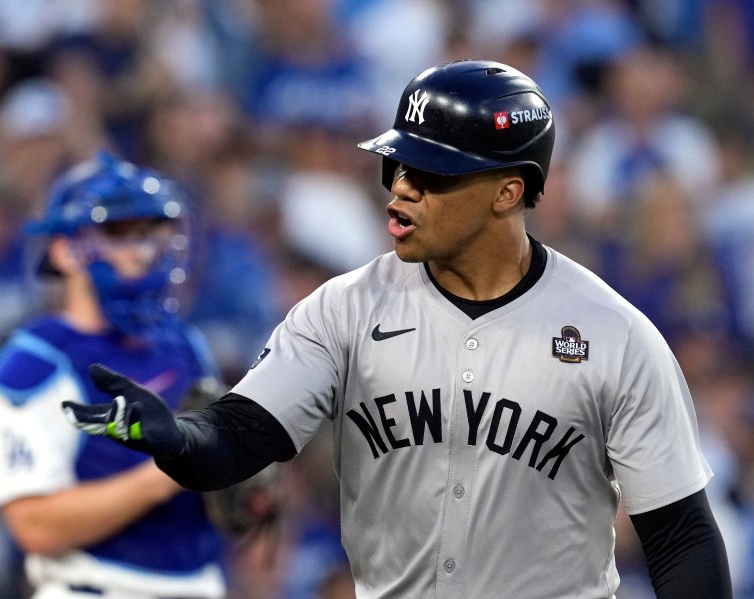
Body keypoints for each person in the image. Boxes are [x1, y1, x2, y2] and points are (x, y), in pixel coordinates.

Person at [62, 61, 732, 598]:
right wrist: (179, 439)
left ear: (505, 192)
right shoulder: (345, 308)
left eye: (429, 173)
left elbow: (679, 537)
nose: (400, 189)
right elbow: (239, 437)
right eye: (395, 166)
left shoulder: (612, 334)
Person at [0, 151, 226, 598]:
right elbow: (35, 525)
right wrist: (166, 475)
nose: (140, 251)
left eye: (150, 232)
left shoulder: (186, 344)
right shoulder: (34, 362)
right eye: (117, 233)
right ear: (65, 250)